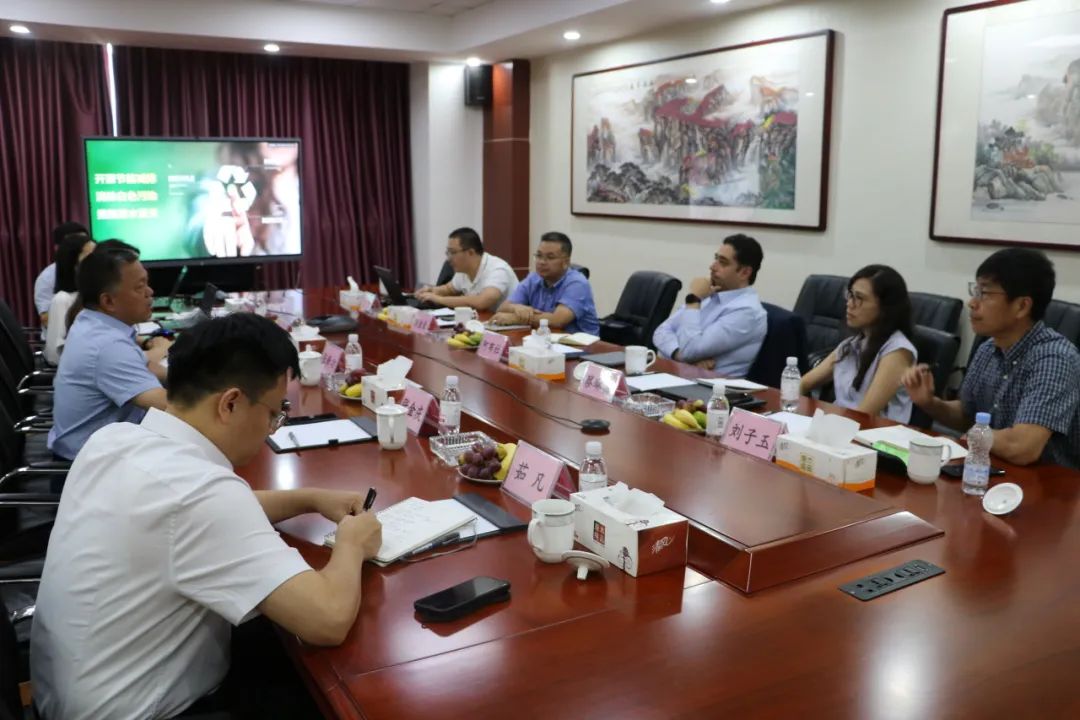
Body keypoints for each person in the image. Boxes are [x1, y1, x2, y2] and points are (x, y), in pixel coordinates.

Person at [31, 313, 384, 719]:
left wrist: (309, 499)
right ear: (230, 403)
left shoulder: (114, 439)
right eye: (274, 413)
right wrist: (351, 543)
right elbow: (327, 620)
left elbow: (197, 513)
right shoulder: (200, 495)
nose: (271, 428)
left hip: (68, 693)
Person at [902, 248, 1080, 468]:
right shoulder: (988, 348)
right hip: (989, 470)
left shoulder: (1054, 359)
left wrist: (972, 436)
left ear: (1022, 306)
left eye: (984, 293)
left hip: (1047, 483)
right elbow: (968, 415)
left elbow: (1023, 447)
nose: (972, 302)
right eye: (975, 290)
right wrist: (930, 403)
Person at [47, 241, 172, 461]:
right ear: (108, 301)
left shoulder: (92, 321)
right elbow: (167, 406)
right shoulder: (107, 345)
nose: (150, 292)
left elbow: (148, 368)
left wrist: (201, 377)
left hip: (96, 449)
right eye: (139, 287)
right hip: (89, 466)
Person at [800, 265, 917, 422]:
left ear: (885, 307)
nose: (850, 303)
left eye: (859, 298)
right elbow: (803, 384)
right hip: (839, 425)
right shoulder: (852, 344)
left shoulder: (897, 352)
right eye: (850, 295)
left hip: (871, 433)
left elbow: (864, 415)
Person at [652, 233, 767, 377]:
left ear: (744, 272)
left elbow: (690, 350)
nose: (712, 267)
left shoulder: (747, 312)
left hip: (713, 388)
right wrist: (678, 355)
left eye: (723, 263)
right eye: (716, 259)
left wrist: (693, 299)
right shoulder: (709, 294)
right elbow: (661, 331)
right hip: (679, 376)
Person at [491, 231, 599, 334]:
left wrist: (516, 318)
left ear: (566, 262)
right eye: (539, 256)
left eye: (550, 257)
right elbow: (502, 308)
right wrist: (517, 308)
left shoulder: (577, 284)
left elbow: (558, 320)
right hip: (545, 340)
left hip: (581, 345)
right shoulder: (533, 278)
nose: (542, 262)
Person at [413, 227, 519, 311]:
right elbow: (449, 289)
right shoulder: (463, 270)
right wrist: (431, 290)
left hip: (510, 327)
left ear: (470, 252)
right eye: (448, 252)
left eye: (453, 252)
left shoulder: (497, 269)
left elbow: (482, 302)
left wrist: (439, 299)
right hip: (483, 323)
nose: (449, 258)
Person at [43, 234, 97, 365]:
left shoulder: (93, 295)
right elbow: (54, 356)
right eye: (90, 257)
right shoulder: (63, 300)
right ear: (73, 264)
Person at [34, 221, 89, 327]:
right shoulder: (47, 277)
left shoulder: (96, 271)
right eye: (74, 244)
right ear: (58, 248)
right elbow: (45, 319)